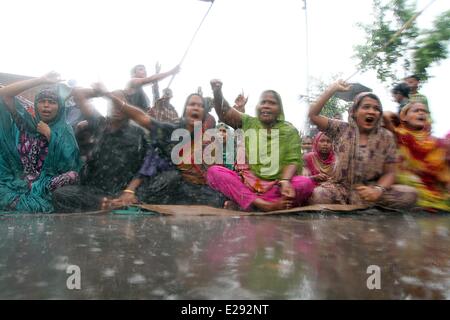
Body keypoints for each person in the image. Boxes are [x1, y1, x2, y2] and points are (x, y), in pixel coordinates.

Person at [104, 90, 226, 208]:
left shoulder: (206, 139)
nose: (196, 108)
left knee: (217, 198)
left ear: (204, 115)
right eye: (192, 104)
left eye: (200, 106)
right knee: (173, 176)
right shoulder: (169, 131)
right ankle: (136, 199)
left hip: (188, 188)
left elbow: (213, 173)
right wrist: (130, 190)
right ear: (185, 111)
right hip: (162, 183)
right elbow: (143, 120)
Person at [206, 79, 314, 212]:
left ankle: (248, 204)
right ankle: (263, 205)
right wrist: (217, 92)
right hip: (247, 184)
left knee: (305, 183)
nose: (266, 106)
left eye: (272, 103)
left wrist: (285, 181)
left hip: (277, 185)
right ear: (257, 107)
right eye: (263, 102)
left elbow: (292, 160)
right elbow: (225, 113)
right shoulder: (249, 122)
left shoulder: (289, 130)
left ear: (279, 109)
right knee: (214, 172)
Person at [308, 80, 417, 209]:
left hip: (371, 190)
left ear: (380, 114)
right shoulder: (341, 128)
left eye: (376, 108)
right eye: (366, 107)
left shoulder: (386, 137)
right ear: (354, 111)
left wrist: (378, 190)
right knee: (318, 195)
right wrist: (332, 89)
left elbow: (390, 173)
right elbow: (313, 116)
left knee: (410, 195)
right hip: (341, 189)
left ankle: (365, 205)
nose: (371, 111)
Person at [52, 85, 148, 212]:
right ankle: (109, 204)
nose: (117, 107)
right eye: (113, 103)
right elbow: (78, 92)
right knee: (61, 194)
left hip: (123, 189)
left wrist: (130, 191)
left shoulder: (138, 134)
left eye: (121, 103)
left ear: (128, 107)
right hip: (96, 191)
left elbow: (146, 166)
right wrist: (105, 93)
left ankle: (114, 203)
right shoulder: (99, 123)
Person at [0, 72, 81, 213]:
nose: (46, 106)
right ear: (36, 105)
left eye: (52, 102)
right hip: (20, 180)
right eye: (42, 102)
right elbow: (4, 94)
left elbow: (70, 164)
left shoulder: (64, 131)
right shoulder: (28, 123)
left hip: (46, 183)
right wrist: (40, 80)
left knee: (72, 176)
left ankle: (22, 200)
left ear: (60, 106)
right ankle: (25, 199)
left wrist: (50, 135)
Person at [383, 102, 450, 211]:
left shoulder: (436, 143)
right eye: (416, 110)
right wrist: (398, 118)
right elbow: (385, 115)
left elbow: (444, 173)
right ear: (404, 117)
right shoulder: (400, 134)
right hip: (408, 187)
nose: (421, 113)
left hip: (434, 192)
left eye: (424, 111)